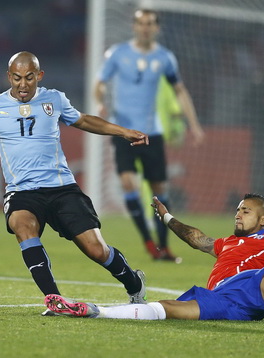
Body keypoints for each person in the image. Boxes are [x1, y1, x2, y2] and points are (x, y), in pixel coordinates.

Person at [0, 51, 149, 315]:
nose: (23, 84)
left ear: (39, 76)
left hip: (62, 189)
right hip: (22, 192)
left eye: (29, 77)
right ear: (8, 77)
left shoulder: (54, 99)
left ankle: (134, 282)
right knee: (22, 226)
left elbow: (82, 120)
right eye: (16, 78)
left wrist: (123, 132)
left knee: (96, 250)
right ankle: (54, 299)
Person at [45, 193, 264, 325]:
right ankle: (93, 310)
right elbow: (198, 238)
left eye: (247, 211)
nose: (239, 214)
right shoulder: (226, 243)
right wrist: (167, 218)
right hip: (224, 298)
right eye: (238, 209)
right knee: (169, 310)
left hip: (255, 285)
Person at [94, 8, 205, 262]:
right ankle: (148, 242)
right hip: (123, 130)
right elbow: (100, 83)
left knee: (159, 190)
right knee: (128, 184)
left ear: (157, 28)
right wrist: (100, 102)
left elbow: (180, 90)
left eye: (150, 23)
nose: (145, 27)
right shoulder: (117, 53)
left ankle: (163, 247)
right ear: (134, 26)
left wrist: (194, 124)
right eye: (141, 23)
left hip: (151, 132)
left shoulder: (165, 58)